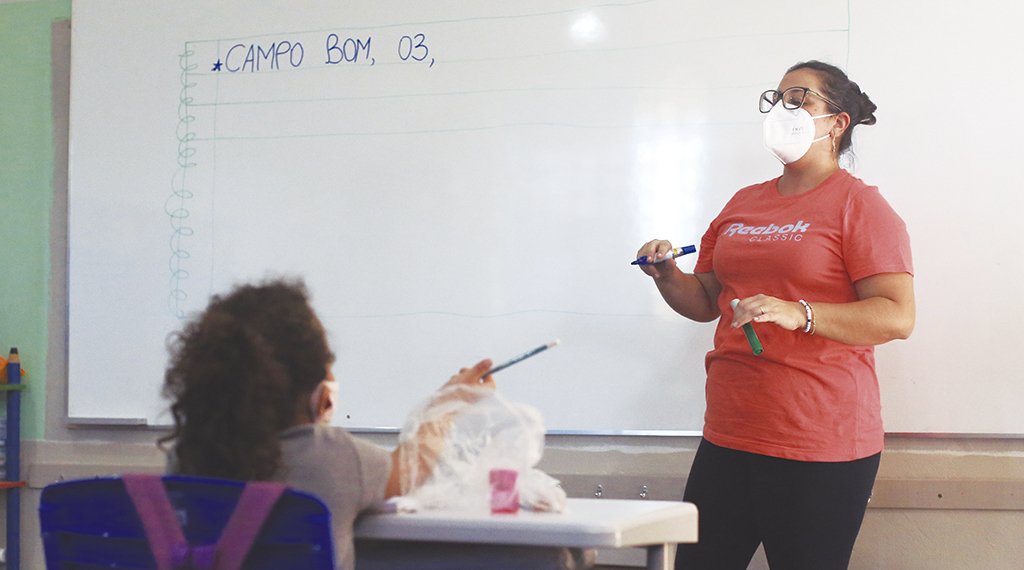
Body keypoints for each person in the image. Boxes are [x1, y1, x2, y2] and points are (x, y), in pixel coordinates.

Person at [636, 60, 914, 569]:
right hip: (729, 432)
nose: (782, 109)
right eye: (777, 98)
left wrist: (799, 313)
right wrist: (668, 275)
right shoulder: (744, 203)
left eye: (799, 98)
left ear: (837, 122)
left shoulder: (860, 206)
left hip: (819, 441)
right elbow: (706, 300)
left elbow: (896, 316)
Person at [160, 278, 591, 570]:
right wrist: (447, 403)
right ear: (322, 395)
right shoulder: (333, 459)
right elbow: (412, 467)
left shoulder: (186, 459)